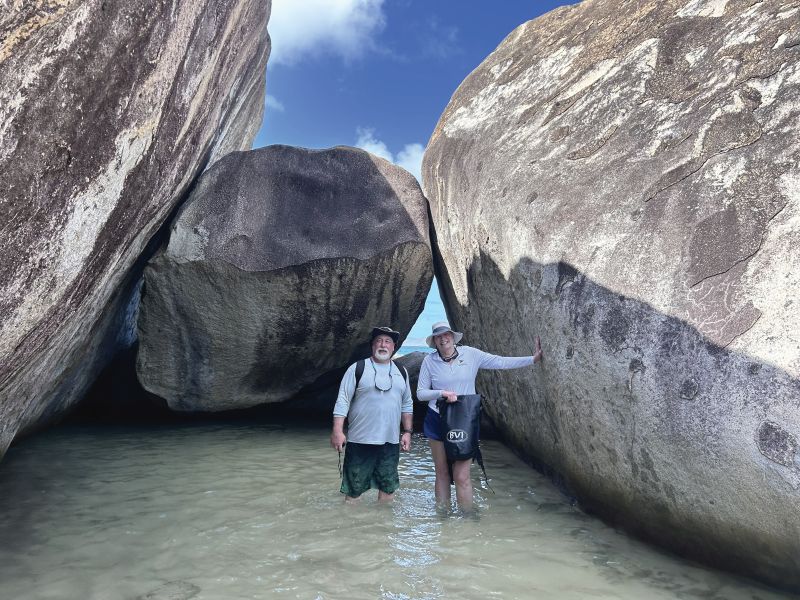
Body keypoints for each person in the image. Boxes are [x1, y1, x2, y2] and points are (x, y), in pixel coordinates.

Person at [417, 321, 543, 510]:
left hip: (464, 420)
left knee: (461, 475)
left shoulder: (471, 354)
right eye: (438, 336)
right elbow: (420, 393)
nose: (443, 339)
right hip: (437, 418)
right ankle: (442, 518)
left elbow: (500, 362)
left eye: (446, 335)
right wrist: (441, 393)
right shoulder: (429, 361)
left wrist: (531, 359)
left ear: (452, 337)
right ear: (434, 341)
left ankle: (466, 518)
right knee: (442, 472)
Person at [331, 326, 413, 502]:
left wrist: (407, 432)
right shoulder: (357, 368)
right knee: (354, 490)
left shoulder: (402, 371)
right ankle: (352, 528)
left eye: (387, 342)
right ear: (372, 346)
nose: (383, 345)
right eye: (379, 341)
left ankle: (381, 527)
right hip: (360, 440)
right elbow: (343, 400)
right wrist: (337, 431)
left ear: (393, 347)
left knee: (388, 488)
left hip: (390, 442)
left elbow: (407, 404)